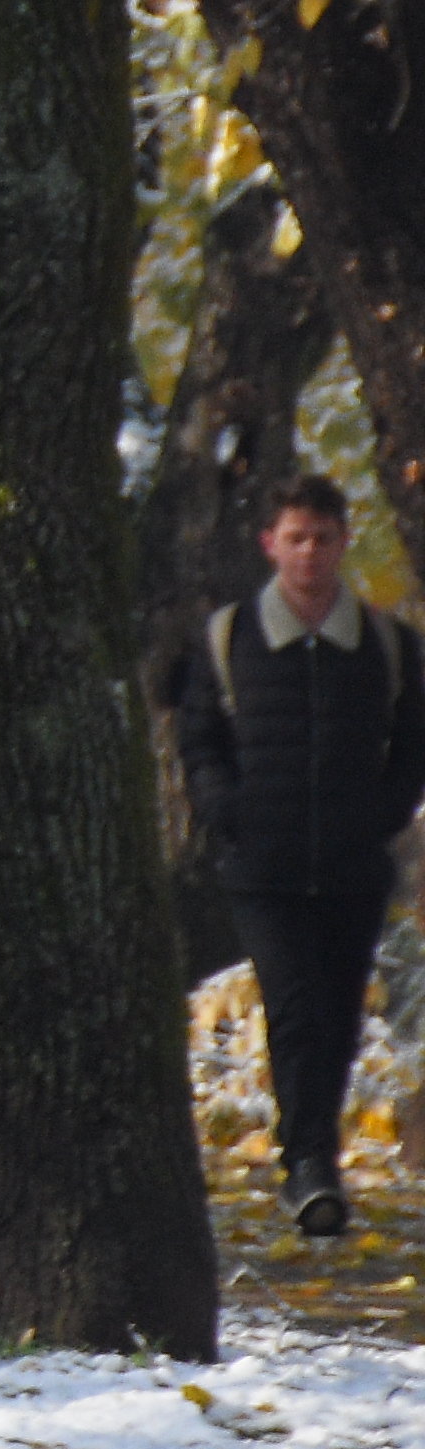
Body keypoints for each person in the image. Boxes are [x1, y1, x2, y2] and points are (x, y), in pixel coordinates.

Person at [166, 470, 425, 1237]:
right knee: (293, 1008)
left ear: (343, 543)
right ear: (270, 544)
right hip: (262, 865)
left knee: (340, 1016)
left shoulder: (387, 644)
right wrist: (225, 810)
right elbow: (198, 737)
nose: (309, 553)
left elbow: (413, 742)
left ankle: (314, 1160)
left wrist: (383, 813)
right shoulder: (229, 639)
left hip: (353, 865)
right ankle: (306, 1165)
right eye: (295, 538)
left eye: (322, 538)